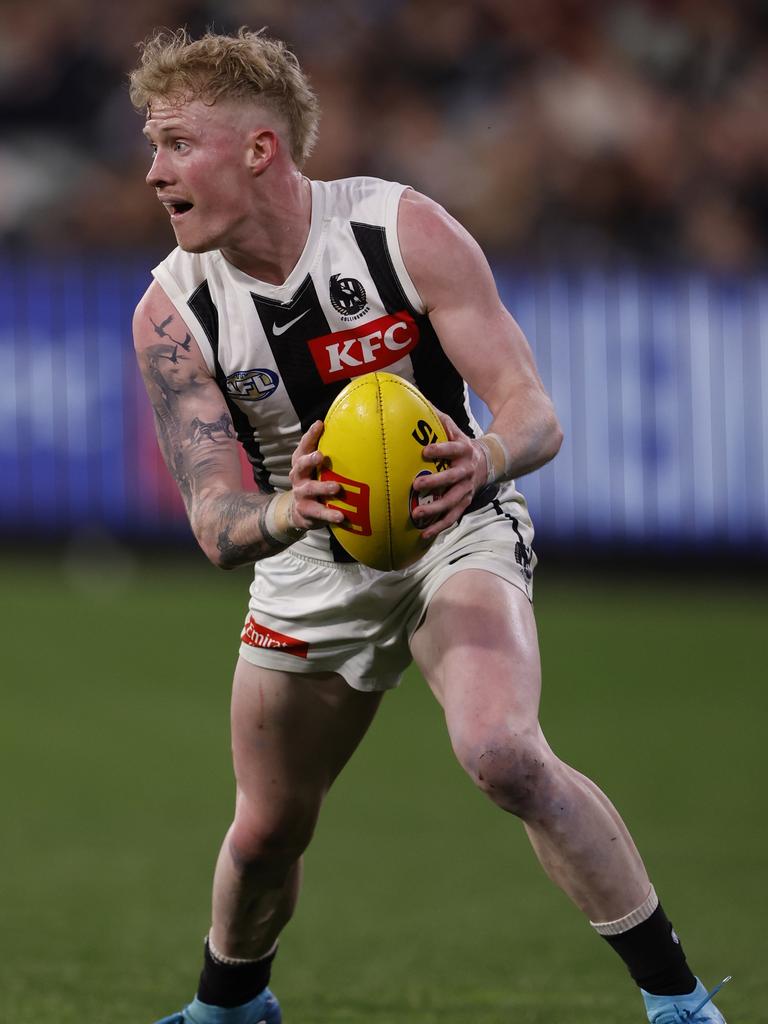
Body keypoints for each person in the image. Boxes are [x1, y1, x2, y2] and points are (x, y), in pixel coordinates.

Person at [129, 27, 729, 1024]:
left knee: (503, 750)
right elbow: (212, 517)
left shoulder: (398, 231)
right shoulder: (171, 314)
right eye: (152, 146)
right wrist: (290, 504)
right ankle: (231, 1007)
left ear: (259, 148)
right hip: (310, 553)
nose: (153, 172)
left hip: (455, 521)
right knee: (268, 829)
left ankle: (679, 1005)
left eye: (177, 143)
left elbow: (532, 411)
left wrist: (481, 458)